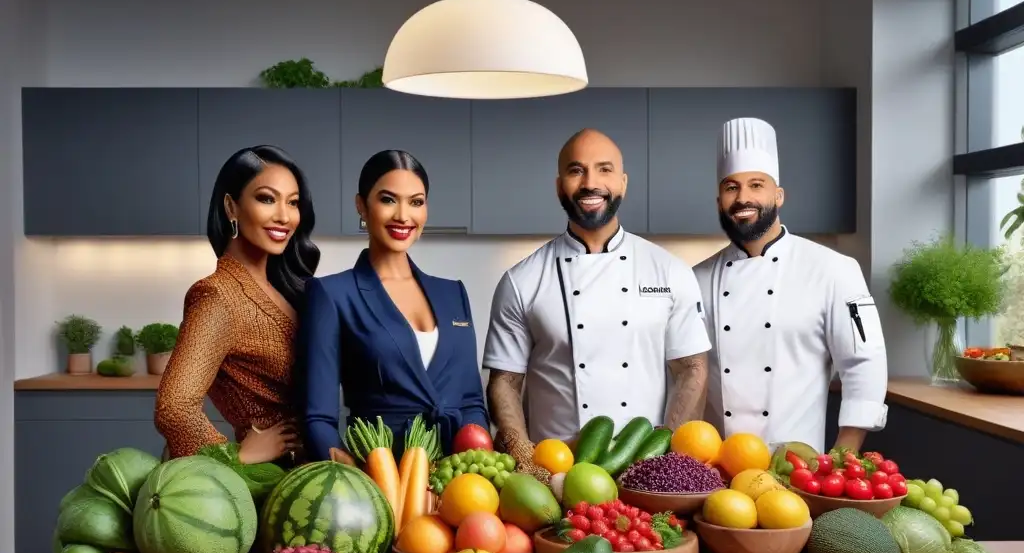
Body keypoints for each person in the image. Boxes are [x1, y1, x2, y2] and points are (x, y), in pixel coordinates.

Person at [483, 128, 711, 466]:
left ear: (623, 183)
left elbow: (693, 369)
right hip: (556, 472)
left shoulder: (669, 271)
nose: (590, 183)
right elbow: (504, 384)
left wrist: (666, 463)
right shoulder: (521, 281)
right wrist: (527, 461)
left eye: (604, 169)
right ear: (560, 186)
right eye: (576, 170)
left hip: (645, 470)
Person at [693, 117, 888, 454]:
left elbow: (864, 362)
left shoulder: (835, 270)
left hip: (799, 471)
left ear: (778, 195)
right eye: (731, 187)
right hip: (715, 475)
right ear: (719, 202)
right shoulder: (695, 280)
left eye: (756, 185)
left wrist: (843, 456)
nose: (743, 198)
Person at [302, 150, 489, 461]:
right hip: (380, 475)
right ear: (361, 204)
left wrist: (477, 469)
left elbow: (471, 402)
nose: (404, 215)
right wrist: (359, 480)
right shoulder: (332, 294)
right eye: (388, 199)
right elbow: (318, 419)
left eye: (416, 202)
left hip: (458, 480)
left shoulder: (453, 293)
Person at [155, 145, 321, 465]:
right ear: (231, 207)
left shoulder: (287, 289)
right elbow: (174, 409)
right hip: (271, 479)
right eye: (267, 199)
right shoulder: (218, 296)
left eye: (293, 202)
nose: (284, 216)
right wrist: (237, 457)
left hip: (311, 468)